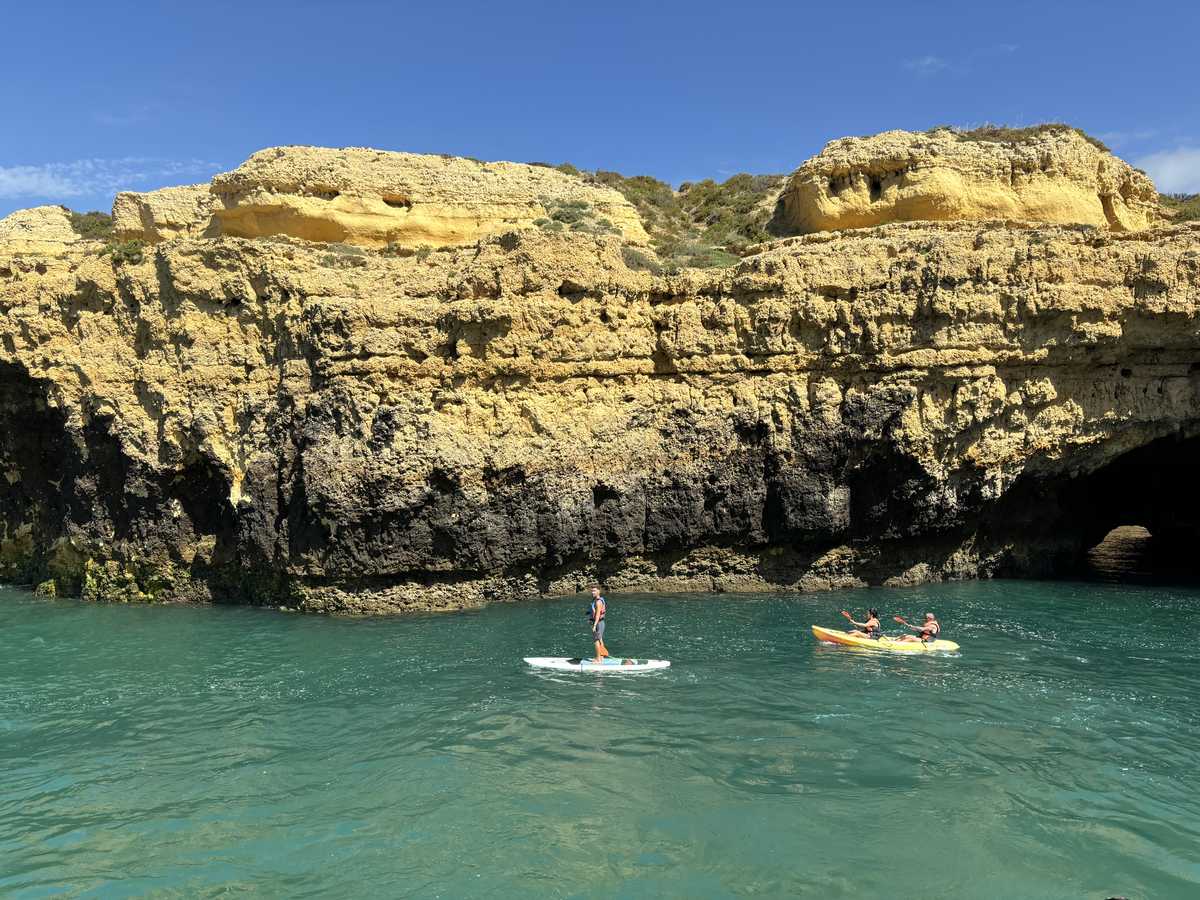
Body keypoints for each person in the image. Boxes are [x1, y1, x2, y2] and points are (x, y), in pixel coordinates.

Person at [587, 586, 609, 662]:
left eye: (594, 591)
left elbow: (597, 615)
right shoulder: (595, 600)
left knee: (596, 640)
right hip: (600, 623)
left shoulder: (598, 602)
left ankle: (598, 659)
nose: (592, 592)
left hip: (598, 623)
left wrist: (594, 625)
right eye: (592, 591)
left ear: (599, 591)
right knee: (600, 640)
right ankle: (602, 657)